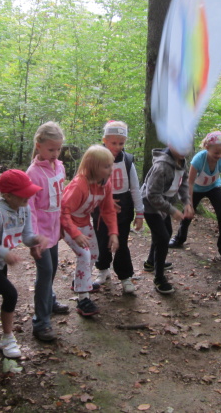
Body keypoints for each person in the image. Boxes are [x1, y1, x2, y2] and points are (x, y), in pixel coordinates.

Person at [0, 169, 49, 358]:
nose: (29, 197)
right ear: (8, 196)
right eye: (24, 193)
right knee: (10, 293)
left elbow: (26, 236)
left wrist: (36, 240)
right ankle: (7, 338)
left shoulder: (23, 208)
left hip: (0, 260)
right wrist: (4, 253)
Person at [168, 131, 221, 265]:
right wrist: (189, 204)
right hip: (196, 189)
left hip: (214, 187)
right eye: (216, 153)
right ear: (207, 147)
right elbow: (190, 182)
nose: (219, 156)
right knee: (188, 214)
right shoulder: (199, 159)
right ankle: (179, 238)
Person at [61, 145, 119, 316]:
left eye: (111, 165)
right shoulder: (79, 185)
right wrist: (75, 234)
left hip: (84, 223)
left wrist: (113, 233)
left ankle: (80, 280)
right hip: (67, 224)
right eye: (106, 166)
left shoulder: (105, 184)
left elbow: (108, 209)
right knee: (84, 254)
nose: (111, 169)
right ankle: (83, 299)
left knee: (94, 253)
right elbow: (63, 211)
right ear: (93, 167)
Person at [26, 122, 70, 342]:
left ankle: (49, 302)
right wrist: (34, 239)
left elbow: (60, 200)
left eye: (58, 149)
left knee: (52, 270)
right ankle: (41, 322)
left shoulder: (59, 167)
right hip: (40, 233)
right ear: (39, 146)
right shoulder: (32, 174)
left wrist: (61, 225)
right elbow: (30, 209)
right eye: (51, 149)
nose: (55, 153)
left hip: (54, 230)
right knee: (45, 274)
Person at [92, 121, 144, 295]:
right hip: (100, 206)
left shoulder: (127, 160)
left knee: (121, 242)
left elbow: (135, 188)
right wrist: (102, 201)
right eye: (113, 143)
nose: (117, 147)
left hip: (123, 207)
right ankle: (103, 269)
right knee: (102, 240)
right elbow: (88, 185)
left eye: (121, 143)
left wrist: (140, 213)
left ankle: (125, 276)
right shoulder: (96, 159)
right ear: (104, 140)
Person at [141, 145, 193, 294]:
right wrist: (172, 210)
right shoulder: (161, 166)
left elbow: (183, 183)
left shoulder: (181, 162)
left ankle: (151, 262)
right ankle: (159, 278)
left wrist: (187, 202)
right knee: (163, 237)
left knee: (166, 233)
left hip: (163, 204)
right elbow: (152, 195)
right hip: (150, 206)